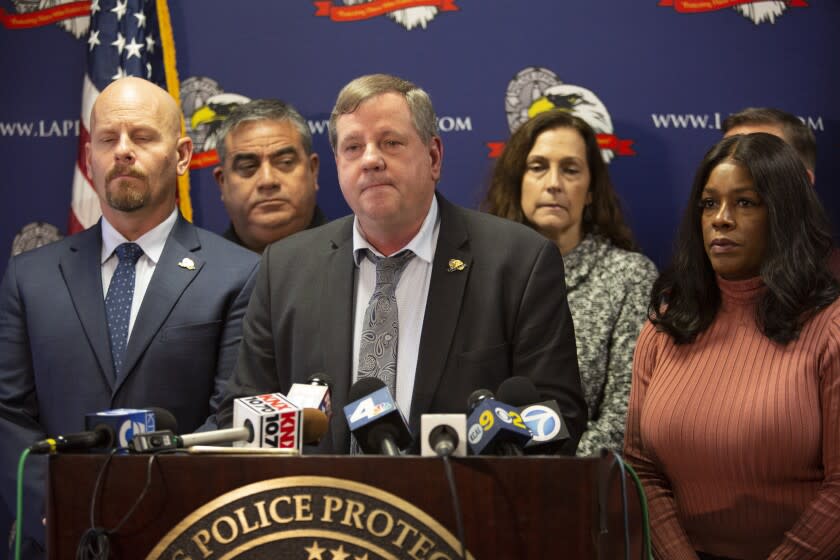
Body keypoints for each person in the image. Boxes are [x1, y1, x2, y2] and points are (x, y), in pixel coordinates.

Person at [216, 74, 587, 454]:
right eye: (353, 147)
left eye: (391, 143)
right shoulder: (285, 269)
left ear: (433, 157)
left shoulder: (517, 261)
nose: (371, 160)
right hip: (323, 506)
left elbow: (557, 417)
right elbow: (242, 415)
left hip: (460, 506)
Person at [0, 77, 259, 556]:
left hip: (182, 532)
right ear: (90, 156)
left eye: (142, 137)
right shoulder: (29, 276)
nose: (122, 151)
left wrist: (143, 503)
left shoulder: (238, 274)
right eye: (107, 139)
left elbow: (231, 413)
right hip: (55, 535)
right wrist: (59, 500)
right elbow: (8, 412)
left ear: (182, 155)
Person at [624, 133, 840, 559]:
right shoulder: (667, 323)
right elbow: (640, 467)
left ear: (784, 214)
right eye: (709, 203)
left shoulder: (829, 327)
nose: (721, 219)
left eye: (745, 202)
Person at [483, 110, 656, 456]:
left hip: (580, 486)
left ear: (591, 190)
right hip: (476, 482)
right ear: (518, 180)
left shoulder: (629, 277)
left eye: (570, 169)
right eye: (538, 167)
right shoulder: (480, 270)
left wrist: (545, 472)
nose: (554, 183)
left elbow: (626, 417)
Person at [722, 106, 840, 277]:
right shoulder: (687, 284)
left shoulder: (834, 280)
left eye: (759, 159)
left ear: (802, 182)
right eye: (724, 159)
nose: (733, 174)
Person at [213, 99, 327, 253]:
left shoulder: (357, 262)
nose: (267, 180)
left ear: (313, 171)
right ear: (222, 183)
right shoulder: (202, 275)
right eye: (248, 167)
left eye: (285, 162)